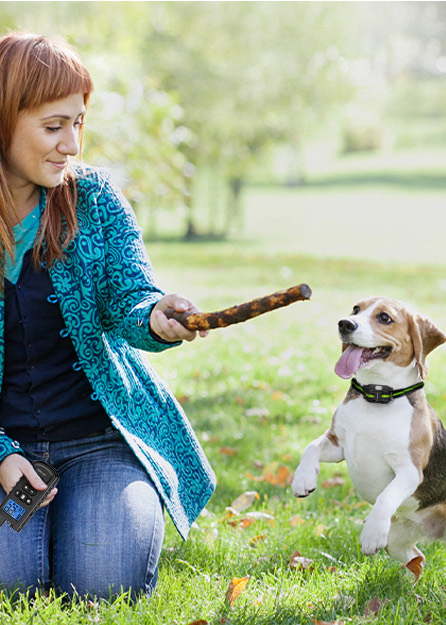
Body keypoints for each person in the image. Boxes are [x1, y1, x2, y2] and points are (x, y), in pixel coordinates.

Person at [0, 32, 217, 601]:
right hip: (5, 447)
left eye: (79, 124)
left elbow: (130, 296)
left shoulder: (93, 199)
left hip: (98, 441)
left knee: (103, 586)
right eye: (53, 127)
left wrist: (155, 315)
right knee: (11, 586)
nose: (71, 144)